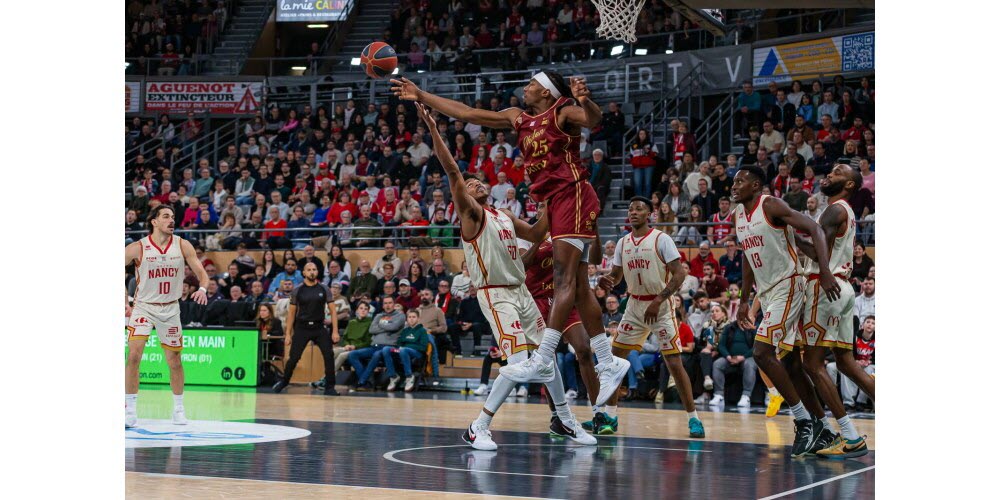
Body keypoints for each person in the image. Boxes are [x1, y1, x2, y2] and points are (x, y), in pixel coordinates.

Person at [392, 74, 617, 411]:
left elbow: (593, 122)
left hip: (539, 250)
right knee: (539, 330)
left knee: (563, 302)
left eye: (530, 83)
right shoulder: (475, 207)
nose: (523, 87)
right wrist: (422, 96)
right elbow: (466, 115)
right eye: (471, 184)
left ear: (544, 90)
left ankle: (574, 403)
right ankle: (490, 421)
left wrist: (584, 100)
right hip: (502, 286)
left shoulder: (561, 112)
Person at [732, 165, 839, 457]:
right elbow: (747, 256)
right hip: (767, 293)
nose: (734, 185)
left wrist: (825, 271)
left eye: (741, 181)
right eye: (733, 181)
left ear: (756, 186)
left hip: (789, 284)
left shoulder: (772, 205)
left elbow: (815, 228)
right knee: (790, 364)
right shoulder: (738, 216)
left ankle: (803, 421)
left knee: (761, 352)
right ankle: (824, 430)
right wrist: (744, 298)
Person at [597, 197, 706, 438]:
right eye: (630, 208)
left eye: (639, 209)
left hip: (661, 305)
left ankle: (694, 419)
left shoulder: (661, 239)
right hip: (635, 305)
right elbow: (616, 275)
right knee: (616, 361)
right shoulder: (623, 242)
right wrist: (608, 281)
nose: (633, 212)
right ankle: (610, 416)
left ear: (650, 214)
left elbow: (678, 275)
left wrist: (658, 300)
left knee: (674, 363)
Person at [793, 164, 873, 458]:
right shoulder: (844, 211)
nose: (829, 173)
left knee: (812, 364)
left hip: (824, 287)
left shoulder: (834, 210)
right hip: (842, 288)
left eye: (837, 172)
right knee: (846, 364)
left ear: (849, 185)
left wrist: (787, 233)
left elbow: (817, 252)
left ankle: (850, 436)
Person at [521, 236, 624, 436]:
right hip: (539, 302)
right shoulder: (530, 232)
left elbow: (594, 259)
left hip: (565, 298)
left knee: (584, 350)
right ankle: (557, 415)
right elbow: (521, 265)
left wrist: (593, 233)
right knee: (547, 360)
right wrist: (538, 239)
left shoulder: (570, 231)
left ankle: (598, 414)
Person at [124, 204, 210, 428]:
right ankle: (130, 410)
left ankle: (179, 409)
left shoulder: (183, 245)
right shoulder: (137, 248)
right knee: (134, 355)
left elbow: (202, 273)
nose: (172, 220)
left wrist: (202, 289)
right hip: (143, 307)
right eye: (166, 217)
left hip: (170, 309)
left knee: (174, 361)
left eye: (173, 217)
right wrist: (124, 298)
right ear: (154, 221)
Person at [271, 262, 341, 396]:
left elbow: (333, 311)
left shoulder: (324, 289)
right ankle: (284, 381)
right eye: (309, 269)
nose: (312, 272)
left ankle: (330, 387)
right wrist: (288, 334)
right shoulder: (297, 290)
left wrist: (335, 331)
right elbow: (291, 313)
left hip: (319, 327)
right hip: (302, 328)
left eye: (314, 269)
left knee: (329, 355)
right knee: (293, 358)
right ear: (303, 273)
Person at [826, 315, 875, 411]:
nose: (870, 325)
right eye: (868, 322)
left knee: (869, 370)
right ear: (862, 325)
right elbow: (848, 354)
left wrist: (870, 361)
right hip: (854, 363)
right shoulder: (855, 337)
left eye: (873, 323)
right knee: (847, 368)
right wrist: (855, 361)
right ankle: (848, 402)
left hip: (870, 365)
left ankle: (861, 402)